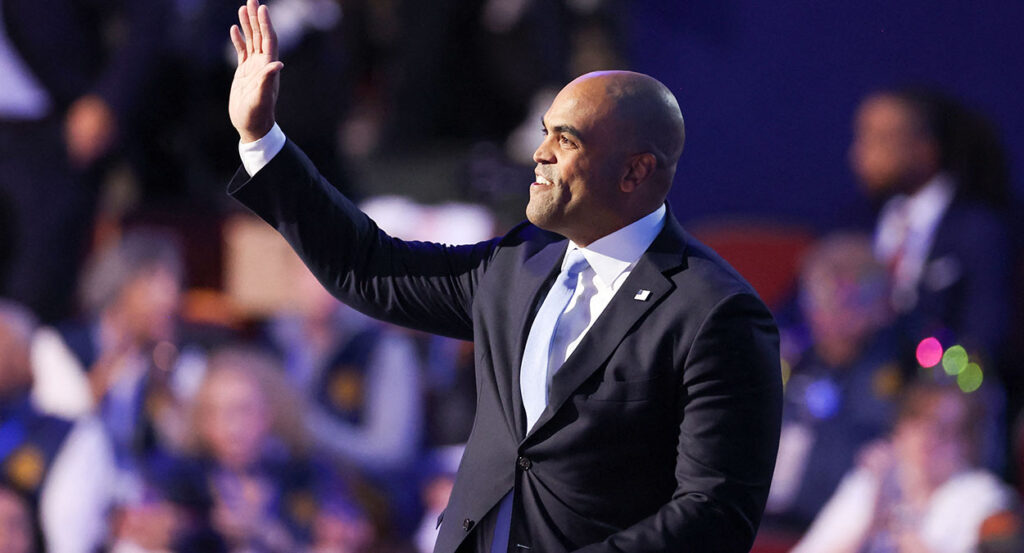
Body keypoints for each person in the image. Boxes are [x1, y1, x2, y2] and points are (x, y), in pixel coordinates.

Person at [224, 2, 783, 551]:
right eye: (545, 133)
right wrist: (263, 142)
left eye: (567, 140)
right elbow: (372, 268)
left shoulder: (714, 312)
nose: (538, 154)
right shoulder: (518, 265)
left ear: (636, 170)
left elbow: (713, 515)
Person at [790, 380, 1017, 553]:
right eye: (919, 424)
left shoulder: (986, 499)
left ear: (968, 445)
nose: (929, 439)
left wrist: (899, 525)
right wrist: (871, 522)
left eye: (945, 430)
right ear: (899, 431)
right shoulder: (871, 481)